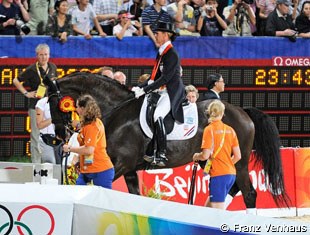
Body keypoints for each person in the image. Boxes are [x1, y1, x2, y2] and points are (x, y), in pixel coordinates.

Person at [131, 22, 185, 167]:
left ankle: (161, 153)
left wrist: (145, 90)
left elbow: (166, 78)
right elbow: (154, 77)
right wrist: (139, 87)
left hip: (171, 91)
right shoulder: (162, 53)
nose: (155, 35)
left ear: (166, 35)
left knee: (157, 115)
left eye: (157, 33)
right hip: (163, 90)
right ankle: (150, 150)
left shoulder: (171, 54)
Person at [13, 44, 58, 163]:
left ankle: (50, 162)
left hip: (50, 105)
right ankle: (36, 165)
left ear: (49, 55)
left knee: (51, 133)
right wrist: (26, 93)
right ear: (37, 56)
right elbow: (15, 80)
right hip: (36, 106)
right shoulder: (32, 69)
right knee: (36, 135)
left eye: (46, 55)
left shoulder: (53, 67)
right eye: (41, 55)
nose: (43, 57)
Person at [192, 100, 241, 209]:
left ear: (209, 112)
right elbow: (238, 156)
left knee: (217, 214)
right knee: (208, 210)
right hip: (230, 174)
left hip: (219, 175)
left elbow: (205, 155)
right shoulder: (231, 130)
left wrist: (196, 156)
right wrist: (226, 165)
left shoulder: (209, 130)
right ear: (223, 113)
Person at [63, 94, 115, 189]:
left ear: (83, 109)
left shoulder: (92, 126)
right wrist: (78, 159)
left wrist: (69, 148)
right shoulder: (88, 124)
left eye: (77, 107)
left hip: (101, 170)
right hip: (88, 169)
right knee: (78, 192)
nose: (76, 109)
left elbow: (89, 150)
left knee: (102, 201)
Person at [35, 95, 59, 164]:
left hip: (61, 140)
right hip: (46, 139)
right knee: (50, 165)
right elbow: (39, 125)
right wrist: (53, 118)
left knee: (61, 167)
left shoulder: (64, 102)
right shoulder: (41, 103)